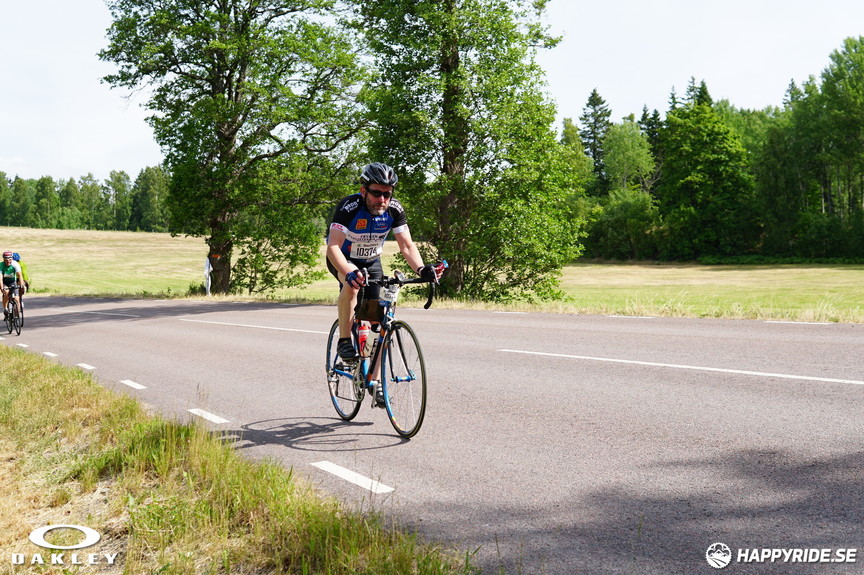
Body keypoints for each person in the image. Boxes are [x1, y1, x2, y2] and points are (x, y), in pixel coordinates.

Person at [326, 163, 442, 405]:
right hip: (343, 259)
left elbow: (407, 245)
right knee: (353, 286)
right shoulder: (349, 207)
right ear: (363, 190)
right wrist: (348, 272)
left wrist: (421, 269)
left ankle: (375, 381)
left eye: (387, 194)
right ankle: (345, 340)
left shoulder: (394, 210)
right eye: (376, 193)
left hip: (371, 260)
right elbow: (333, 246)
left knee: (383, 319)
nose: (382, 198)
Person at [1, 251, 25, 319]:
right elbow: (0, 278)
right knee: (6, 292)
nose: (8, 261)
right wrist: (2, 287)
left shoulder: (15, 264)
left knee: (17, 298)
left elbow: (19, 275)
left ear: (12, 259)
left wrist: (21, 285)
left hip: (12, 282)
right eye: (6, 260)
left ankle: (17, 315)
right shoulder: (1, 265)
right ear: (4, 259)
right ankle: (5, 309)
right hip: (4, 282)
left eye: (10, 259)